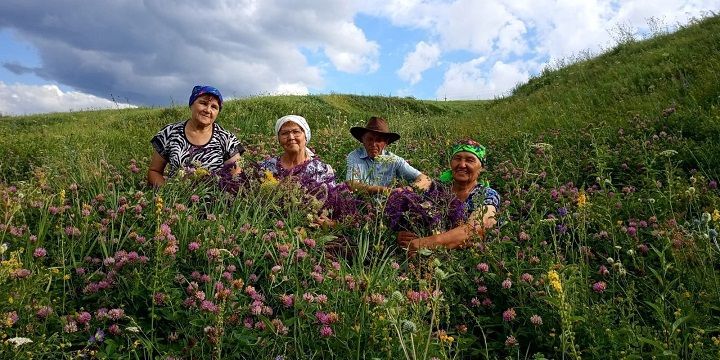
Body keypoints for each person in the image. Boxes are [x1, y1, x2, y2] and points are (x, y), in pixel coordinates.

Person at [396, 140, 500, 256]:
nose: (462, 165)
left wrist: (425, 243)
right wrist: (404, 234)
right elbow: (415, 216)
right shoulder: (436, 189)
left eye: (470, 160)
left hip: (465, 262)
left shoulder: (485, 194)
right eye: (457, 158)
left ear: (481, 168)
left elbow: (475, 230)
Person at [147, 85, 244, 187]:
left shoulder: (226, 138)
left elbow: (236, 176)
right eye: (203, 103)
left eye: (214, 107)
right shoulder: (170, 132)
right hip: (176, 197)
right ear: (191, 104)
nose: (208, 110)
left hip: (215, 199)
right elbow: (154, 171)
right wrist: (168, 193)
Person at [345, 117, 431, 194]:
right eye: (370, 139)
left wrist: (410, 189)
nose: (374, 144)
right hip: (361, 204)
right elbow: (352, 184)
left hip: (390, 205)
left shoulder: (394, 160)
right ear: (363, 140)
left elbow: (425, 179)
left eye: (379, 140)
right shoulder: (355, 156)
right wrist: (386, 191)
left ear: (386, 143)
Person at [259, 115, 335, 185]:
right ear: (278, 139)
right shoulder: (266, 167)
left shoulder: (322, 171)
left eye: (296, 132)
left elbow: (331, 198)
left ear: (306, 136)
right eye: (285, 133)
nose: (291, 137)